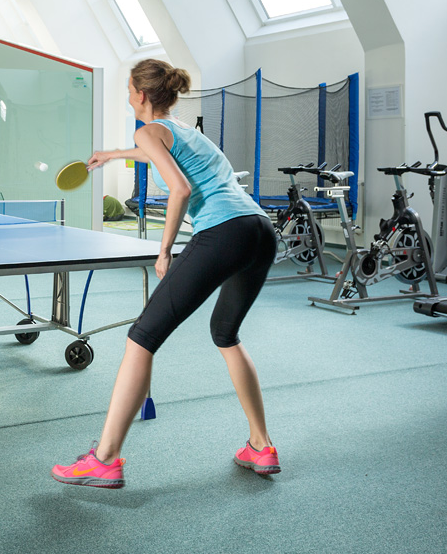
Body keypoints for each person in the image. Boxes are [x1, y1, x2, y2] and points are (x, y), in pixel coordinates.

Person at [50, 58, 278, 489]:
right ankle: (261, 445)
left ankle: (104, 459)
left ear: (140, 94)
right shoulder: (185, 131)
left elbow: (180, 188)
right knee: (226, 334)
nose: (127, 97)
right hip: (260, 231)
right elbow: (158, 152)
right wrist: (114, 155)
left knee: (142, 337)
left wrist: (164, 249)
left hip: (222, 232)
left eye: (128, 90)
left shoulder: (147, 130)